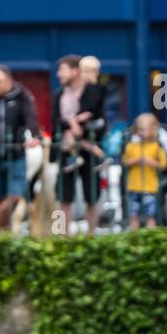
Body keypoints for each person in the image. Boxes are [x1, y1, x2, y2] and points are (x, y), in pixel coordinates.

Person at [53, 54, 106, 235]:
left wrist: (77, 125)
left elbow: (98, 117)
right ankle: (60, 235)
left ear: (75, 71)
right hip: (66, 150)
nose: (58, 74)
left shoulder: (93, 91)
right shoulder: (59, 94)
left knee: (92, 196)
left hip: (89, 149)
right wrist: (71, 124)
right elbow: (56, 122)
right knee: (62, 197)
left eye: (62, 70)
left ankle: (91, 236)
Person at [0, 65, 40, 220]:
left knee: (15, 196)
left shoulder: (22, 96)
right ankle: (3, 234)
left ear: (9, 80)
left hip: (16, 154)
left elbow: (30, 117)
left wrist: (34, 135)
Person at [122, 113, 167, 229]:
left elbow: (163, 164)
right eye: (139, 129)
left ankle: (150, 235)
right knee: (133, 213)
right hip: (134, 185)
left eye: (144, 129)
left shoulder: (156, 146)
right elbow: (125, 161)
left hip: (150, 186)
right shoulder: (131, 146)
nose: (141, 133)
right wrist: (137, 160)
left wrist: (150, 161)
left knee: (150, 214)